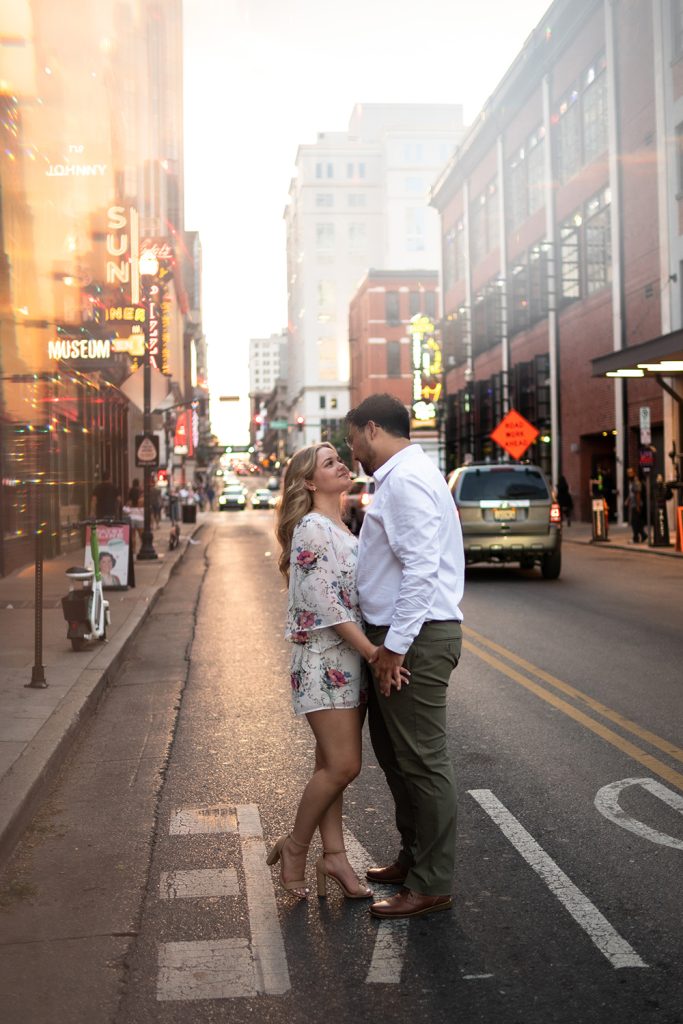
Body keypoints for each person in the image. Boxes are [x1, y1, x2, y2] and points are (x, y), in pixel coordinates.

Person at [268, 442, 406, 901]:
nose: (341, 464)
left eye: (338, 458)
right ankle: (295, 847)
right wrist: (372, 651)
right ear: (309, 483)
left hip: (345, 666)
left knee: (330, 765)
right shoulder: (311, 527)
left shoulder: (342, 527)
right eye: (329, 463)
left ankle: (335, 857)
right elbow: (325, 602)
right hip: (324, 663)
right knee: (345, 765)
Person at [345, 393, 465, 920]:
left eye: (352, 441)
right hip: (399, 634)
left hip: (413, 638)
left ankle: (431, 881)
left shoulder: (408, 480)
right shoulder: (399, 478)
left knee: (421, 761)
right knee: (395, 756)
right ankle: (413, 858)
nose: (352, 454)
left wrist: (393, 648)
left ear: (372, 429)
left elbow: (421, 570)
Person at [625, 466, 646, 543]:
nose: (629, 474)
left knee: (635, 522)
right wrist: (627, 500)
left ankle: (637, 537)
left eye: (631, 472)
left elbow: (638, 494)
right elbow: (631, 493)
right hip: (633, 504)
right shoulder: (631, 481)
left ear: (634, 473)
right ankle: (641, 536)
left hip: (637, 505)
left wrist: (637, 506)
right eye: (628, 473)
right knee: (636, 522)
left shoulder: (636, 481)